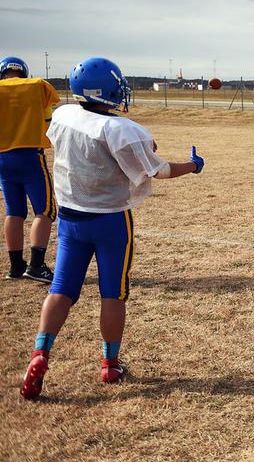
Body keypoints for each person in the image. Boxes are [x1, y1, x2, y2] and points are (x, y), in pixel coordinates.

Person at [20, 57, 205, 400]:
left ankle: (40, 354)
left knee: (60, 289)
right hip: (110, 221)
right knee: (113, 293)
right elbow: (158, 170)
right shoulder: (122, 130)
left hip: (72, 218)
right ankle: (110, 363)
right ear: (106, 90)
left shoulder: (63, 115)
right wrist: (193, 165)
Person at [0, 56, 58, 283]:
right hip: (30, 155)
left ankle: (15, 266)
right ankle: (36, 265)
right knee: (44, 211)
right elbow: (48, 119)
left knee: (14, 211)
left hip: (2, 156)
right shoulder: (38, 86)